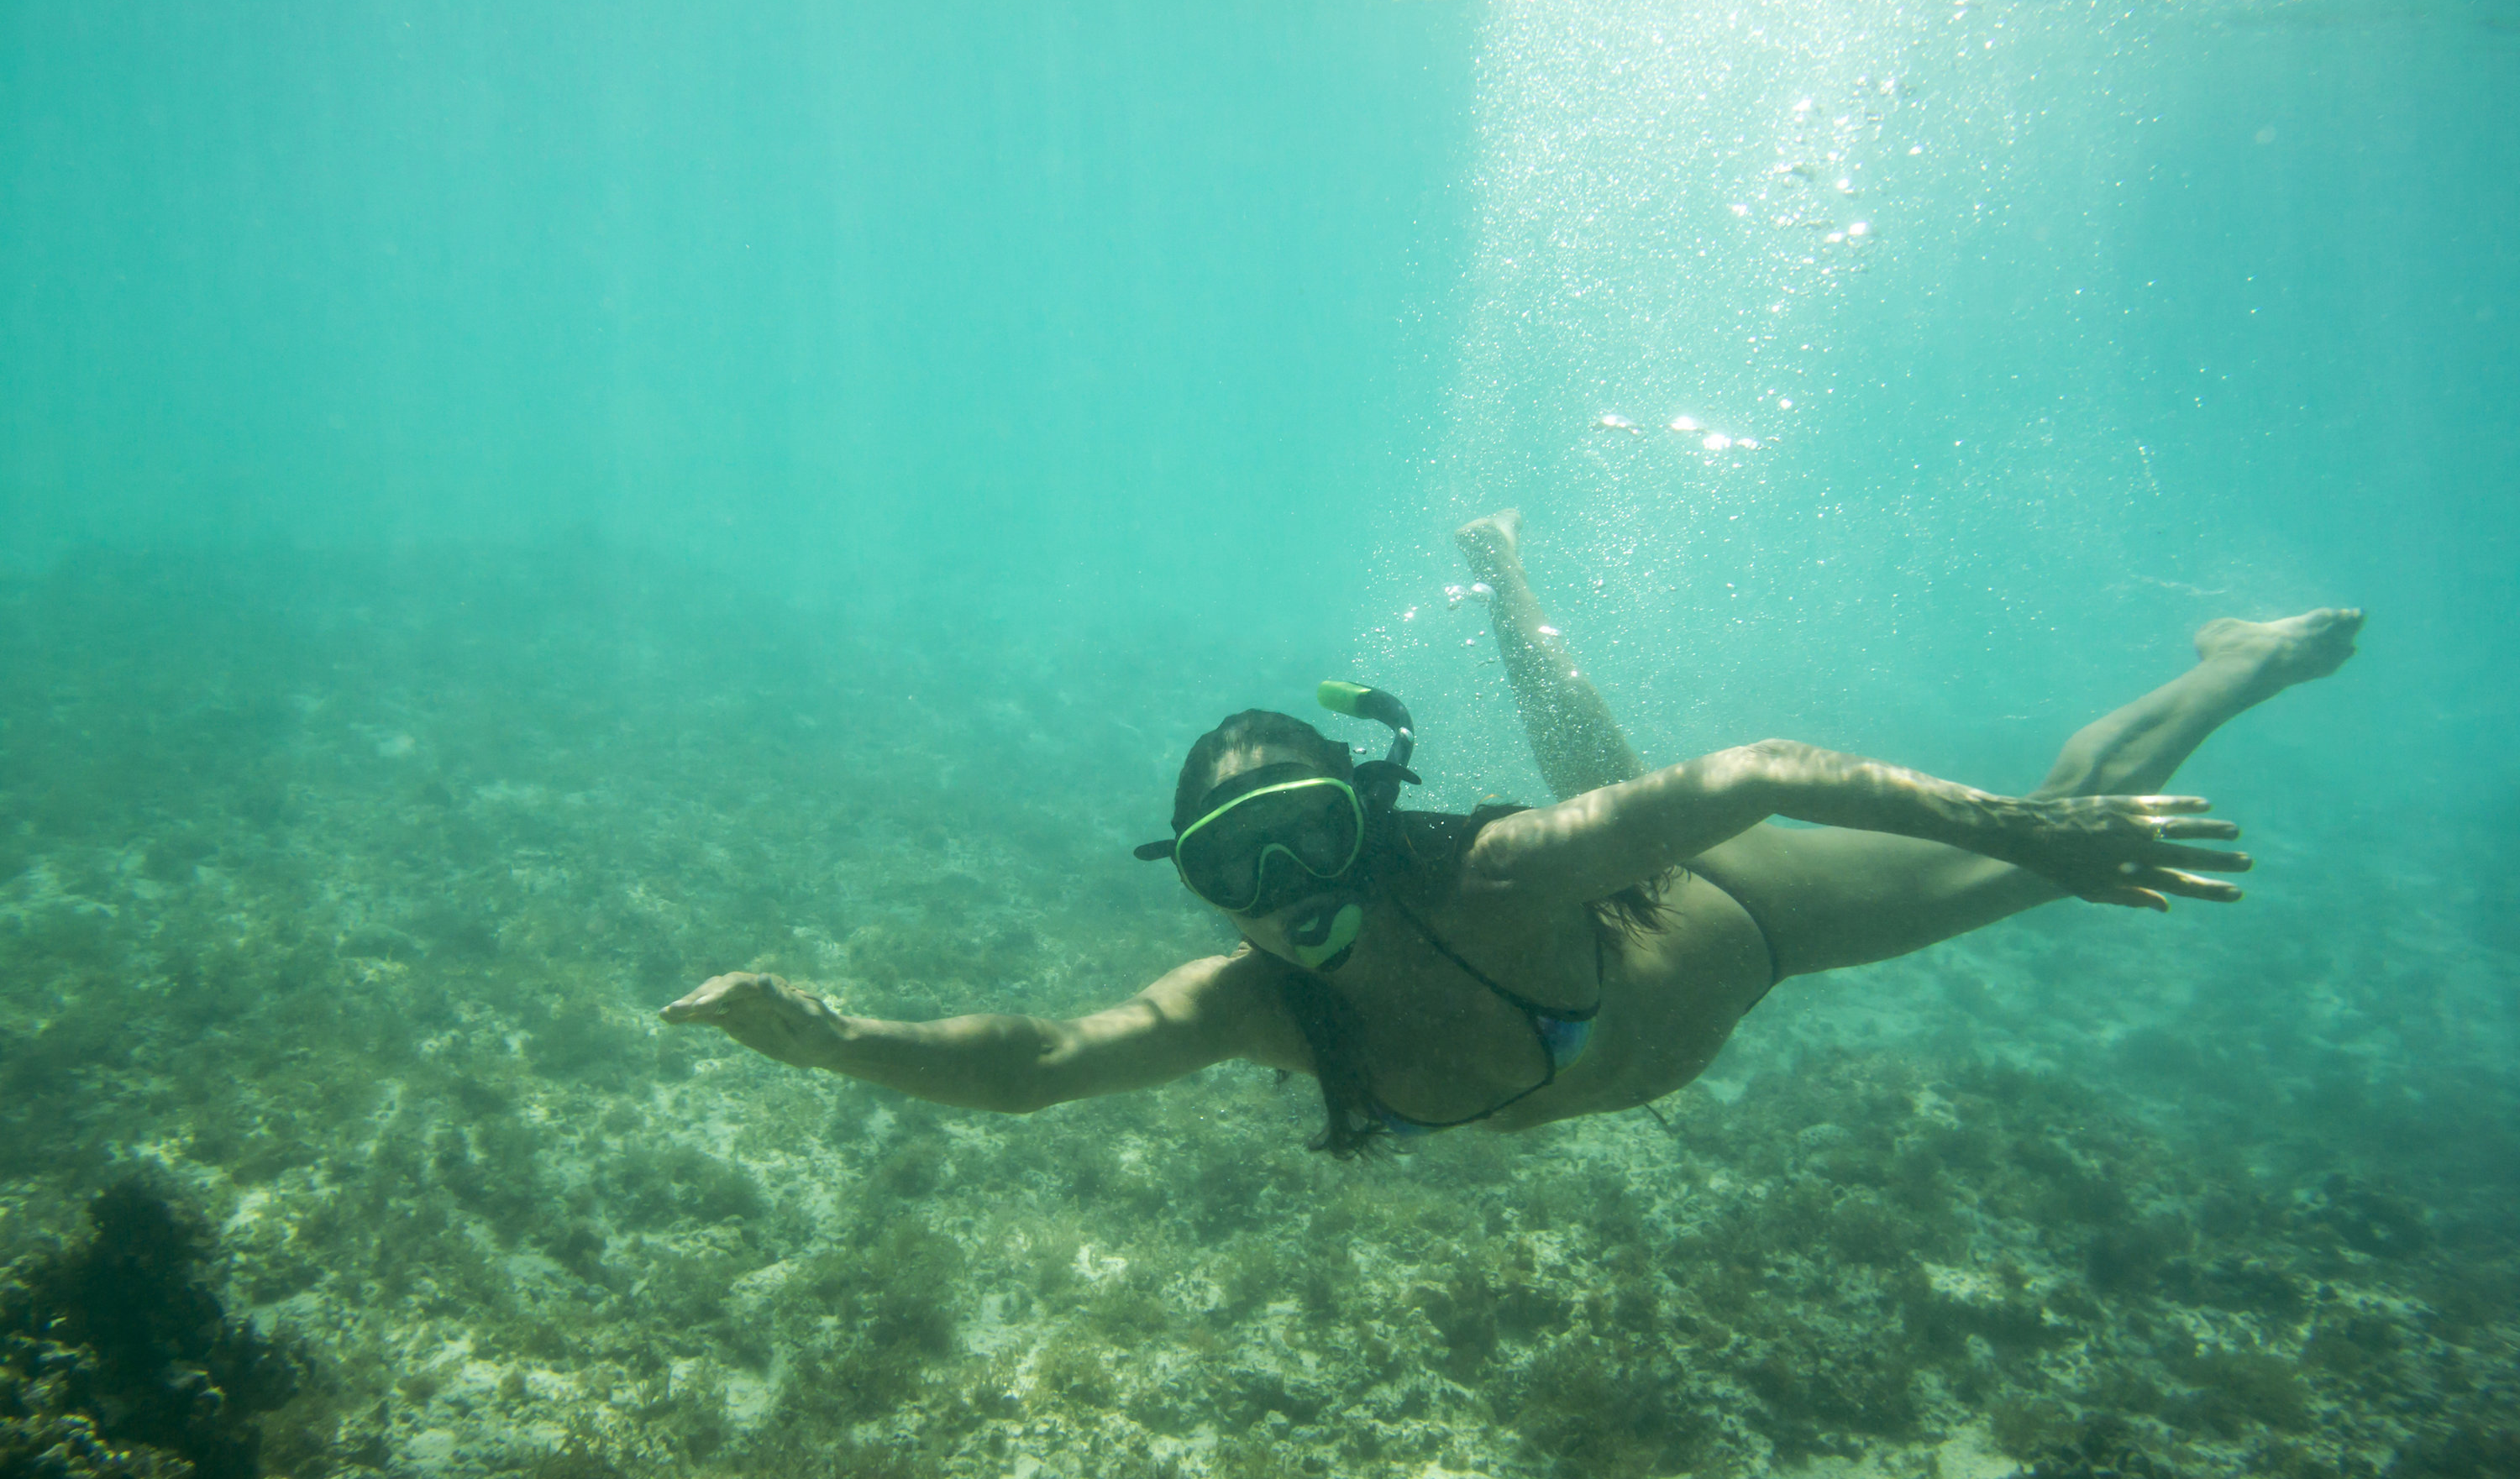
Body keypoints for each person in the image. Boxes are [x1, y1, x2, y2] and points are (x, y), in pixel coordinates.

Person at [663, 510, 2361, 1151]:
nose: (1287, 897)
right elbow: (1038, 1063)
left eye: (1303, 840)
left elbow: (1768, 769)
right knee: (1591, 764)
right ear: (1199, 891)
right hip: (1627, 902)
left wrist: (2032, 837)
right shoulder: (1255, 1005)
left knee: (2035, 842)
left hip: (1745, 913)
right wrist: (833, 1039)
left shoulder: (1491, 869)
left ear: (1359, 819)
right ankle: (1511, 578)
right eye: (1238, 872)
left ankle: (2235, 663)